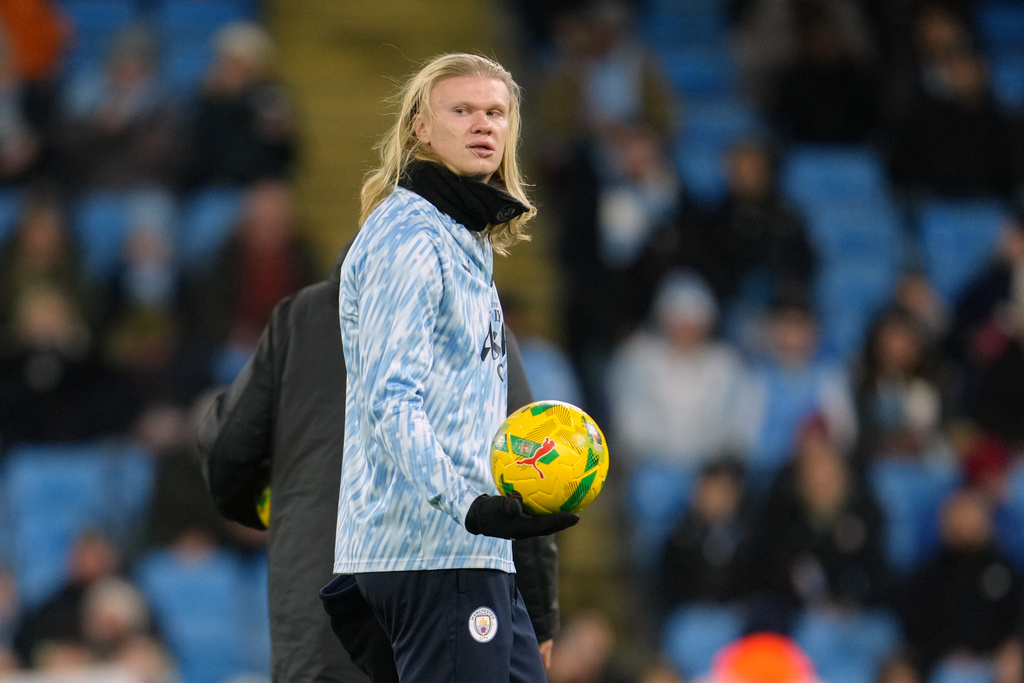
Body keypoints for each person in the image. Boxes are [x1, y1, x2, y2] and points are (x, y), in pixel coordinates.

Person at [199, 243, 565, 682]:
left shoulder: (299, 318)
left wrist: (281, 517)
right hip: (433, 619)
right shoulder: (473, 313)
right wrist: (539, 619)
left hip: (313, 626)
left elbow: (226, 454)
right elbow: (520, 480)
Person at [328, 53, 578, 683]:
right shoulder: (410, 236)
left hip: (467, 552)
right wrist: (470, 503)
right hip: (430, 551)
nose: (482, 125)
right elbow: (392, 399)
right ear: (420, 126)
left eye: (495, 112)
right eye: (461, 110)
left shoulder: (459, 236)